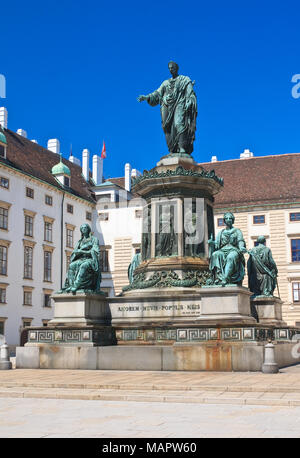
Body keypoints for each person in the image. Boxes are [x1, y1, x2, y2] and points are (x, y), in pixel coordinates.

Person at [138, 61, 197, 155]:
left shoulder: (184, 80)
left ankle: (182, 147)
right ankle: (172, 149)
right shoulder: (165, 83)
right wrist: (147, 97)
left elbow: (190, 92)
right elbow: (157, 93)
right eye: (169, 68)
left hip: (180, 103)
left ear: (177, 68)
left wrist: (190, 99)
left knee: (179, 123)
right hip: (166, 106)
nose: (170, 69)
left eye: (172, 67)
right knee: (167, 128)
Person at [207, 212, 246, 286]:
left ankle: (226, 278)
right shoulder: (221, 232)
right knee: (215, 254)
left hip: (233, 249)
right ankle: (218, 278)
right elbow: (217, 244)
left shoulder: (237, 231)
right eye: (226, 218)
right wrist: (211, 243)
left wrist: (241, 247)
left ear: (233, 220)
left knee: (231, 257)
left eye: (230, 218)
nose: (228, 220)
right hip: (222, 250)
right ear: (224, 221)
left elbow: (240, 241)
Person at [61, 223, 101, 294]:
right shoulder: (80, 242)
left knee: (84, 266)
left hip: (90, 260)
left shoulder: (94, 239)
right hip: (80, 259)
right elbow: (74, 253)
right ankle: (71, 285)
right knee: (71, 266)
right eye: (82, 228)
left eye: (85, 228)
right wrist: (76, 253)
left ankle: (76, 286)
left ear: (88, 229)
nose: (83, 229)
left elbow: (95, 252)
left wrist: (82, 251)